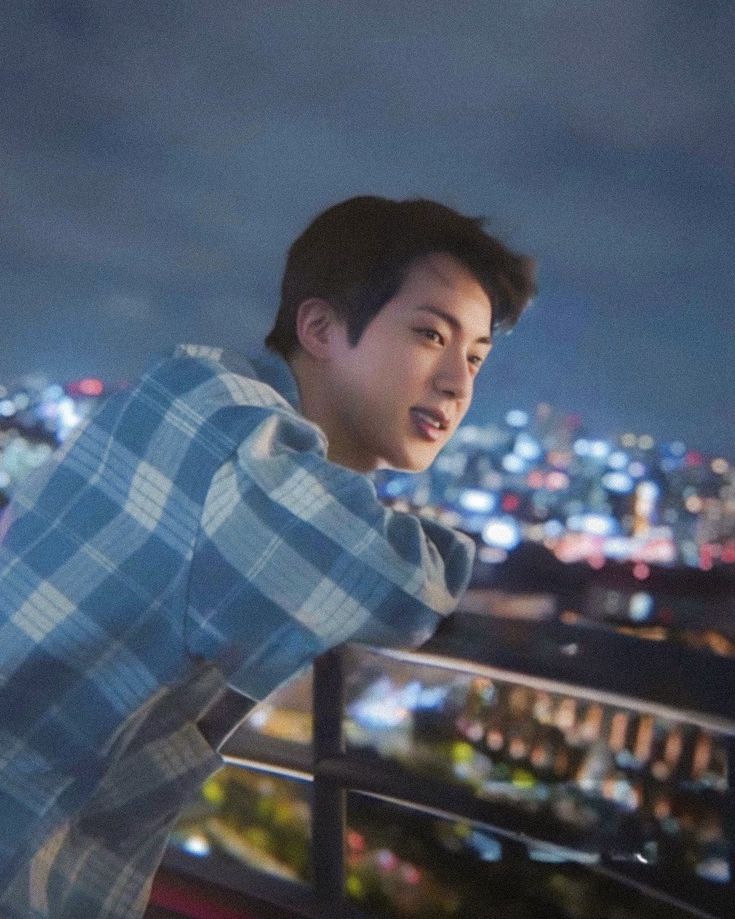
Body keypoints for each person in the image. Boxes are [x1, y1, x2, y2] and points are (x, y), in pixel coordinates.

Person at [0, 195, 535, 917]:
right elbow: (398, 592)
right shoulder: (232, 445)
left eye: (474, 356)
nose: (458, 384)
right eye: (428, 335)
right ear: (318, 327)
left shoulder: (198, 392)